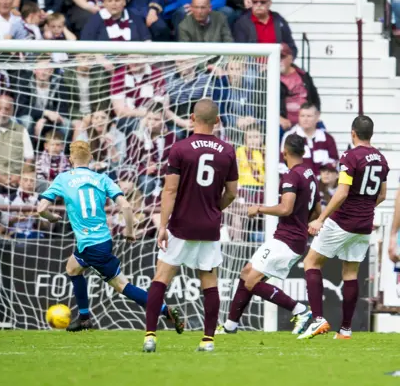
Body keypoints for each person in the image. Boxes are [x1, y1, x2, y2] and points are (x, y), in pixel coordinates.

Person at [37, 141, 184, 333]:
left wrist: (52, 217)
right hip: (101, 240)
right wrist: (130, 231)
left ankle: (165, 311)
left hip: (91, 245)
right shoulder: (102, 178)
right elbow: (126, 206)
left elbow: (41, 209)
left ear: (70, 159)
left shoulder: (63, 179)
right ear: (90, 157)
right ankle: (84, 318)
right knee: (72, 267)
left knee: (122, 285)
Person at [143, 98, 238, 353]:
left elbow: (170, 190)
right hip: (209, 227)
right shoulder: (228, 150)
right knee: (209, 280)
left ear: (193, 119)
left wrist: (162, 225)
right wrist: (213, 208)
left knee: (161, 278)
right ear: (217, 121)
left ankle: (150, 336)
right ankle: (207, 341)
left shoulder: (180, 148)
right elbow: (232, 193)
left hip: (181, 225)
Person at [217, 135, 317, 335]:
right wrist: (312, 222)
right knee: (247, 273)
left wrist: (259, 209)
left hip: (287, 239)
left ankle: (301, 310)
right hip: (293, 237)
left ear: (284, 152)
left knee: (252, 280)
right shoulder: (309, 173)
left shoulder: (292, 176)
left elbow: (286, 208)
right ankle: (230, 325)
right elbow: (316, 208)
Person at [299, 115, 388, 340]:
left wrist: (321, 219)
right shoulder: (381, 158)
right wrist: (365, 208)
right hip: (365, 223)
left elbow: (342, 192)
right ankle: (345, 330)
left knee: (311, 262)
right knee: (350, 273)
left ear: (353, 133)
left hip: (343, 220)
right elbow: (382, 195)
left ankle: (318, 320)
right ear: (372, 134)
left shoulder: (350, 156)